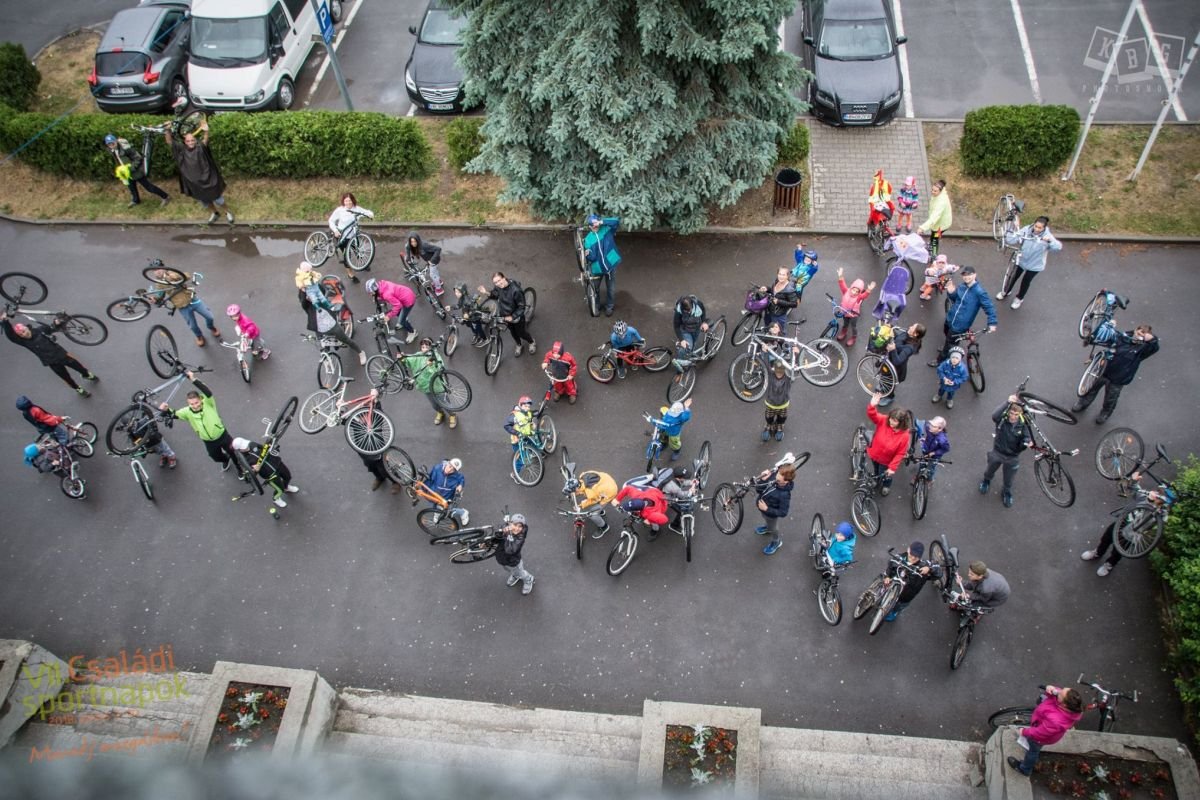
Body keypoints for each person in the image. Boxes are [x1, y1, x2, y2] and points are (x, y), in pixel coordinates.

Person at [1071, 324, 1159, 424]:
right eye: (1139, 332)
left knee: (1110, 398)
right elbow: (1105, 339)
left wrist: (1152, 339)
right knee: (1091, 388)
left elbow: (1154, 348)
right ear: (1135, 330)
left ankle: (1105, 413)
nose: (1139, 335)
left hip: (1119, 378)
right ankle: (1083, 402)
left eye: (1143, 335)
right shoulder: (1121, 337)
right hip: (1103, 371)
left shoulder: (1142, 349)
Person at [159, 371, 240, 476]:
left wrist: (193, 379)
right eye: (191, 404)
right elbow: (174, 414)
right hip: (208, 441)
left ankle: (240, 468)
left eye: (196, 402)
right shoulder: (187, 411)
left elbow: (207, 392)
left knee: (233, 453)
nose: (194, 405)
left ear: (201, 400)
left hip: (222, 435)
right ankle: (225, 459)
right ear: (188, 403)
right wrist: (165, 409)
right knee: (215, 457)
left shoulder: (208, 403)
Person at [0, 311, 98, 397]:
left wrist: (57, 322)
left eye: (24, 331)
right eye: (21, 334)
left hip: (63, 355)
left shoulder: (40, 330)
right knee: (66, 378)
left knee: (80, 368)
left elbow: (52, 327)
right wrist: (5, 322)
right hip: (52, 363)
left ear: (27, 328)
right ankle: (77, 388)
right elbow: (11, 336)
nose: (24, 334)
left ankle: (86, 374)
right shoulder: (23, 342)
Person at [165, 116, 232, 225]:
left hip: (208, 181)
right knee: (205, 202)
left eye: (192, 140)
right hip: (194, 185)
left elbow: (205, 140)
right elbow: (169, 141)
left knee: (219, 199)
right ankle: (215, 213)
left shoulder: (201, 147)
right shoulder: (181, 150)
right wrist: (167, 129)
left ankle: (227, 212)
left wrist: (206, 130)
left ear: (195, 140)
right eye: (188, 140)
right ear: (185, 142)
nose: (190, 142)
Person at [1006, 685, 1084, 776]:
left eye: (1060, 693)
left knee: (1033, 751)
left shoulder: (1056, 721)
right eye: (1061, 689)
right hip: (1045, 728)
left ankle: (1025, 769)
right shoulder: (1071, 706)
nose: (1058, 691)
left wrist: (1024, 732)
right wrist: (1051, 689)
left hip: (1040, 738)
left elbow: (1039, 733)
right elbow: (1058, 694)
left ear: (1064, 704)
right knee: (1033, 748)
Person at [296, 264, 366, 366]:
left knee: (344, 339)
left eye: (310, 271)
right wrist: (304, 293)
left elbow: (323, 292)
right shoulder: (302, 292)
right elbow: (304, 305)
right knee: (324, 345)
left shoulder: (315, 284)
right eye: (307, 272)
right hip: (317, 323)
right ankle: (328, 360)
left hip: (328, 319)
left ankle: (360, 352)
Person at [929, 266, 997, 366]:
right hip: (951, 318)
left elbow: (989, 307)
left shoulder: (979, 292)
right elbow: (954, 298)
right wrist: (951, 290)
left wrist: (992, 323)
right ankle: (948, 347)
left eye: (969, 275)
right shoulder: (962, 286)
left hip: (960, 324)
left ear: (975, 275)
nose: (966, 277)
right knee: (947, 333)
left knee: (950, 342)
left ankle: (941, 360)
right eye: (964, 275)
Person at [998, 215, 1062, 309]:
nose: (1036, 229)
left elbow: (1058, 247)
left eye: (1040, 228)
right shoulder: (1026, 230)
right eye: (1036, 226)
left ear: (1044, 228)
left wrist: (1050, 241)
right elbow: (1012, 239)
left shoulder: (1047, 236)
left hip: (1035, 265)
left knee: (1026, 281)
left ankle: (1019, 298)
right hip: (1022, 260)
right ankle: (1006, 290)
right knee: (1013, 276)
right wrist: (1012, 228)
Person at [980, 395, 1033, 509]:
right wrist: (1007, 402)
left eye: (1016, 415)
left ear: (1020, 415)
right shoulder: (1002, 420)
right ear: (1008, 412)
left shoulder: (1023, 424)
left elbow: (1026, 438)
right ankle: (986, 481)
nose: (1013, 417)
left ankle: (1006, 492)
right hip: (997, 452)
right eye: (1011, 413)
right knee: (990, 470)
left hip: (1012, 457)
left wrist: (1026, 443)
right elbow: (994, 416)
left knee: (1009, 478)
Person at [149, 267, 222, 348]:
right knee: (193, 325)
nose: (157, 272)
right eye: (155, 271)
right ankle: (199, 336)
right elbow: (160, 294)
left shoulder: (172, 272)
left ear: (163, 268)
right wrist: (155, 298)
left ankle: (211, 327)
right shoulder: (159, 283)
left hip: (192, 299)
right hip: (182, 306)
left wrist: (173, 276)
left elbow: (187, 276)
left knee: (209, 316)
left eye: (159, 269)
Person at [104, 132, 169, 208]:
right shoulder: (112, 150)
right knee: (131, 187)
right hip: (126, 172)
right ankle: (136, 200)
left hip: (136, 171)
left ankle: (165, 197)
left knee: (148, 187)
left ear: (116, 141)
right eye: (109, 144)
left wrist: (131, 168)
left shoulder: (126, 148)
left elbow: (138, 158)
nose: (111, 145)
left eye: (112, 143)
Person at [231, 437, 299, 509]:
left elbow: (264, 448)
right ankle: (276, 499)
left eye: (245, 444)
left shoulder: (252, 444)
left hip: (277, 463)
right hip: (270, 475)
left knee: (288, 477)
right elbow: (247, 476)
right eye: (244, 447)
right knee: (280, 490)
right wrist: (253, 470)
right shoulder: (243, 460)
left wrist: (271, 447)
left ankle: (286, 487)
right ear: (240, 450)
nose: (247, 447)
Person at [404, 337, 457, 428]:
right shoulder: (418, 355)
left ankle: (452, 415)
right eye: (422, 346)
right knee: (434, 404)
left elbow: (440, 368)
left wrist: (431, 365)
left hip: (437, 387)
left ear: (431, 347)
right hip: (425, 387)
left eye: (426, 346)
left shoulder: (435, 356)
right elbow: (409, 360)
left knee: (445, 403)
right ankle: (440, 412)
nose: (424, 348)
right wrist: (402, 358)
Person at [866, 393, 912, 496]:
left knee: (886, 475)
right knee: (876, 470)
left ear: (901, 423)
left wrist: (892, 467)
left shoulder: (904, 435)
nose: (890, 421)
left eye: (894, 421)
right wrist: (872, 406)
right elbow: (873, 415)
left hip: (886, 461)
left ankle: (886, 485)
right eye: (891, 418)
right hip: (875, 455)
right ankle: (877, 480)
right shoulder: (884, 420)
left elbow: (900, 453)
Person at [478, 272, 534, 356]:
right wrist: (486, 292)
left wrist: (513, 316)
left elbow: (521, 307)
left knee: (522, 333)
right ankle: (519, 344)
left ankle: (531, 342)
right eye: (495, 282)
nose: (498, 284)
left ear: (504, 278)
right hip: (505, 316)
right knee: (513, 332)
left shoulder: (516, 290)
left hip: (516, 316)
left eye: (499, 280)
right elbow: (495, 294)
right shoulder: (498, 287)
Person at [882, 541, 940, 621]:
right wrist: (887, 576)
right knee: (885, 598)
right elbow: (890, 567)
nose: (913, 558)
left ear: (920, 557)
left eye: (916, 557)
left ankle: (894, 612)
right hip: (892, 587)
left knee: (898, 606)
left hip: (906, 596)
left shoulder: (923, 565)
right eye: (912, 554)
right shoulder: (898, 557)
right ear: (908, 550)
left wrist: (930, 569)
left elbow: (938, 571)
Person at [874, 322, 924, 407]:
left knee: (890, 383)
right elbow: (899, 336)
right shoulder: (908, 333)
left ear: (915, 334)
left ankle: (890, 397)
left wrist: (893, 349)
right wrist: (891, 327)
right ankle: (883, 386)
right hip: (888, 362)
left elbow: (897, 361)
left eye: (912, 327)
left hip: (896, 369)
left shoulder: (909, 348)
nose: (909, 326)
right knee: (884, 376)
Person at [328, 193, 375, 283]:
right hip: (342, 237)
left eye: (349, 200)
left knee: (358, 250)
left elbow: (366, 212)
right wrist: (335, 231)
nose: (348, 202)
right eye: (346, 201)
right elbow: (331, 220)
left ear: (352, 200)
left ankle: (362, 264)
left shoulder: (356, 209)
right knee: (347, 256)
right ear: (343, 202)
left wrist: (370, 214)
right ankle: (351, 275)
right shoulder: (340, 210)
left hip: (353, 236)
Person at [581, 214, 621, 316]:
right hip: (597, 268)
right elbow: (592, 258)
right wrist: (588, 255)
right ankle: (597, 305)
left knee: (611, 289)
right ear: (589, 227)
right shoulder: (588, 240)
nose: (595, 227)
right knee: (595, 289)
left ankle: (609, 307)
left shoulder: (607, 229)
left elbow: (616, 221)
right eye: (592, 226)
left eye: (596, 225)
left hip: (610, 266)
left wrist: (602, 222)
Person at [754, 463, 795, 556]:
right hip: (763, 510)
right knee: (766, 520)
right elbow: (759, 490)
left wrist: (767, 509)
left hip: (771, 515)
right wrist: (762, 480)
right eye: (778, 472)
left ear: (786, 481)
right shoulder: (774, 479)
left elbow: (783, 512)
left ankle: (776, 541)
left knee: (773, 527)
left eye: (779, 475)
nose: (776, 475)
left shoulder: (785, 495)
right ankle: (767, 528)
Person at [365, 278, 418, 344]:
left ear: (375, 290)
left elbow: (398, 306)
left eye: (370, 293)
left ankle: (412, 332)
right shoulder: (382, 285)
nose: (370, 295)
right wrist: (376, 297)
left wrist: (388, 316)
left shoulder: (387, 295)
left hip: (408, 301)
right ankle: (404, 320)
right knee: (398, 313)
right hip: (405, 293)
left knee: (401, 320)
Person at [835, 267, 876, 348]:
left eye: (857, 291)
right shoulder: (846, 291)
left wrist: (869, 289)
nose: (854, 292)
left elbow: (865, 295)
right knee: (845, 324)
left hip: (854, 315)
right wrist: (840, 275)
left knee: (853, 326)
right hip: (844, 312)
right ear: (851, 288)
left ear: (859, 292)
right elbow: (841, 283)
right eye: (854, 290)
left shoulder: (859, 297)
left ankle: (854, 337)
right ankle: (844, 332)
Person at [496, 513, 535, 595]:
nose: (517, 528)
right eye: (515, 525)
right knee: (510, 570)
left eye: (520, 526)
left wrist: (507, 536)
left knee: (520, 572)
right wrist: (503, 531)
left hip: (514, 562)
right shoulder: (507, 529)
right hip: (503, 559)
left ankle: (528, 579)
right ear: (510, 523)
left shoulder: (519, 538)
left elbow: (510, 550)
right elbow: (497, 535)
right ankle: (515, 575)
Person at [570, 469, 617, 536]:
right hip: (607, 481)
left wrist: (581, 505)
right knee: (596, 502)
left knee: (592, 514)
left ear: (577, 489)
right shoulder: (582, 476)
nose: (573, 494)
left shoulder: (591, 493)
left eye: (574, 492)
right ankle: (600, 511)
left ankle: (604, 527)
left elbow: (594, 500)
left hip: (610, 492)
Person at [916, 179, 952, 257]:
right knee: (933, 236)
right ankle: (932, 245)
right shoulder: (940, 195)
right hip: (938, 224)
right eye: (932, 190)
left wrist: (922, 228)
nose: (932, 192)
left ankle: (934, 255)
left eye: (935, 191)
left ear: (940, 191)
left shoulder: (941, 202)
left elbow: (934, 217)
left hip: (941, 226)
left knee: (935, 239)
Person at [427, 458, 469, 525]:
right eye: (450, 466)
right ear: (448, 463)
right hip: (436, 494)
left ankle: (463, 513)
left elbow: (461, 479)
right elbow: (429, 479)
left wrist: (460, 485)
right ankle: (437, 514)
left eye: (453, 470)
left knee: (449, 510)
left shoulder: (457, 476)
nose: (449, 470)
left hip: (448, 497)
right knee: (436, 506)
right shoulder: (437, 469)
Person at [504, 396, 536, 480]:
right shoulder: (515, 416)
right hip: (517, 441)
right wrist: (517, 433)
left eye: (528, 406)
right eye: (525, 406)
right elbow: (506, 425)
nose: (527, 408)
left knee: (534, 445)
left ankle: (537, 453)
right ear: (520, 405)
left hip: (526, 436)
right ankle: (515, 474)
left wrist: (532, 424)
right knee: (521, 460)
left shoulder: (528, 413)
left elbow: (530, 417)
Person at [763, 360, 794, 442]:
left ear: (784, 370)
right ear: (774, 369)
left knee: (782, 417)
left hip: (783, 405)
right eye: (777, 371)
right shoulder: (770, 375)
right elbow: (765, 364)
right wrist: (765, 352)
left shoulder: (788, 378)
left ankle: (779, 426)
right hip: (770, 404)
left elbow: (795, 369)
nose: (779, 373)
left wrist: (796, 354)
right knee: (768, 417)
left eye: (781, 371)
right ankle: (769, 426)